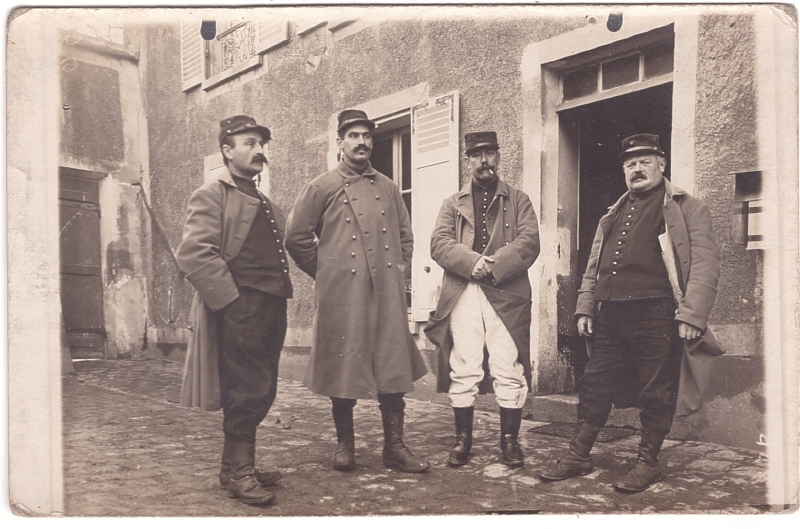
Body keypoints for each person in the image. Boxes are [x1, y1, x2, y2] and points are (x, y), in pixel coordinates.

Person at [535, 134, 721, 492]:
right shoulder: (613, 212)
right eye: (629, 163)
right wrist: (586, 305)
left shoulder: (687, 208)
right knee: (594, 384)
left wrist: (692, 315)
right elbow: (595, 265)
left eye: (644, 161)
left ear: (661, 164)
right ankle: (578, 454)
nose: (636, 169)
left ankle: (648, 463)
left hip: (658, 314)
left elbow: (705, 266)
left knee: (656, 389)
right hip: (611, 316)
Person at [285, 109, 429, 474]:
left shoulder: (388, 187)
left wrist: (397, 271)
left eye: (367, 136)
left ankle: (394, 446)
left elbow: (405, 237)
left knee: (392, 367)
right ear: (340, 142)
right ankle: (344, 445)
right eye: (353, 135)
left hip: (386, 293)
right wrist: (326, 271)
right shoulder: (322, 186)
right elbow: (296, 237)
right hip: (342, 295)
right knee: (343, 366)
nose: (362, 142)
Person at [177, 115, 292, 506]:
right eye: (249, 143)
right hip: (242, 306)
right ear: (228, 151)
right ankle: (241, 473)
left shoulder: (262, 199)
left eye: (261, 144)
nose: (259, 151)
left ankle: (235, 467)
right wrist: (232, 302)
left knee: (264, 388)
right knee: (246, 390)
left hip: (272, 305)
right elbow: (194, 254)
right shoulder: (212, 195)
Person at [425, 131, 540, 468]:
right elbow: (439, 243)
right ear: (468, 160)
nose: (484, 161)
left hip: (506, 292)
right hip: (463, 292)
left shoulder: (518, 199)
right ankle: (463, 439)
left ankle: (509, 441)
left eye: (489, 153)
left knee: (508, 365)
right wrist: (471, 263)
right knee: (465, 365)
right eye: (476, 155)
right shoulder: (452, 203)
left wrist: (495, 265)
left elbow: (530, 241)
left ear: (499, 157)